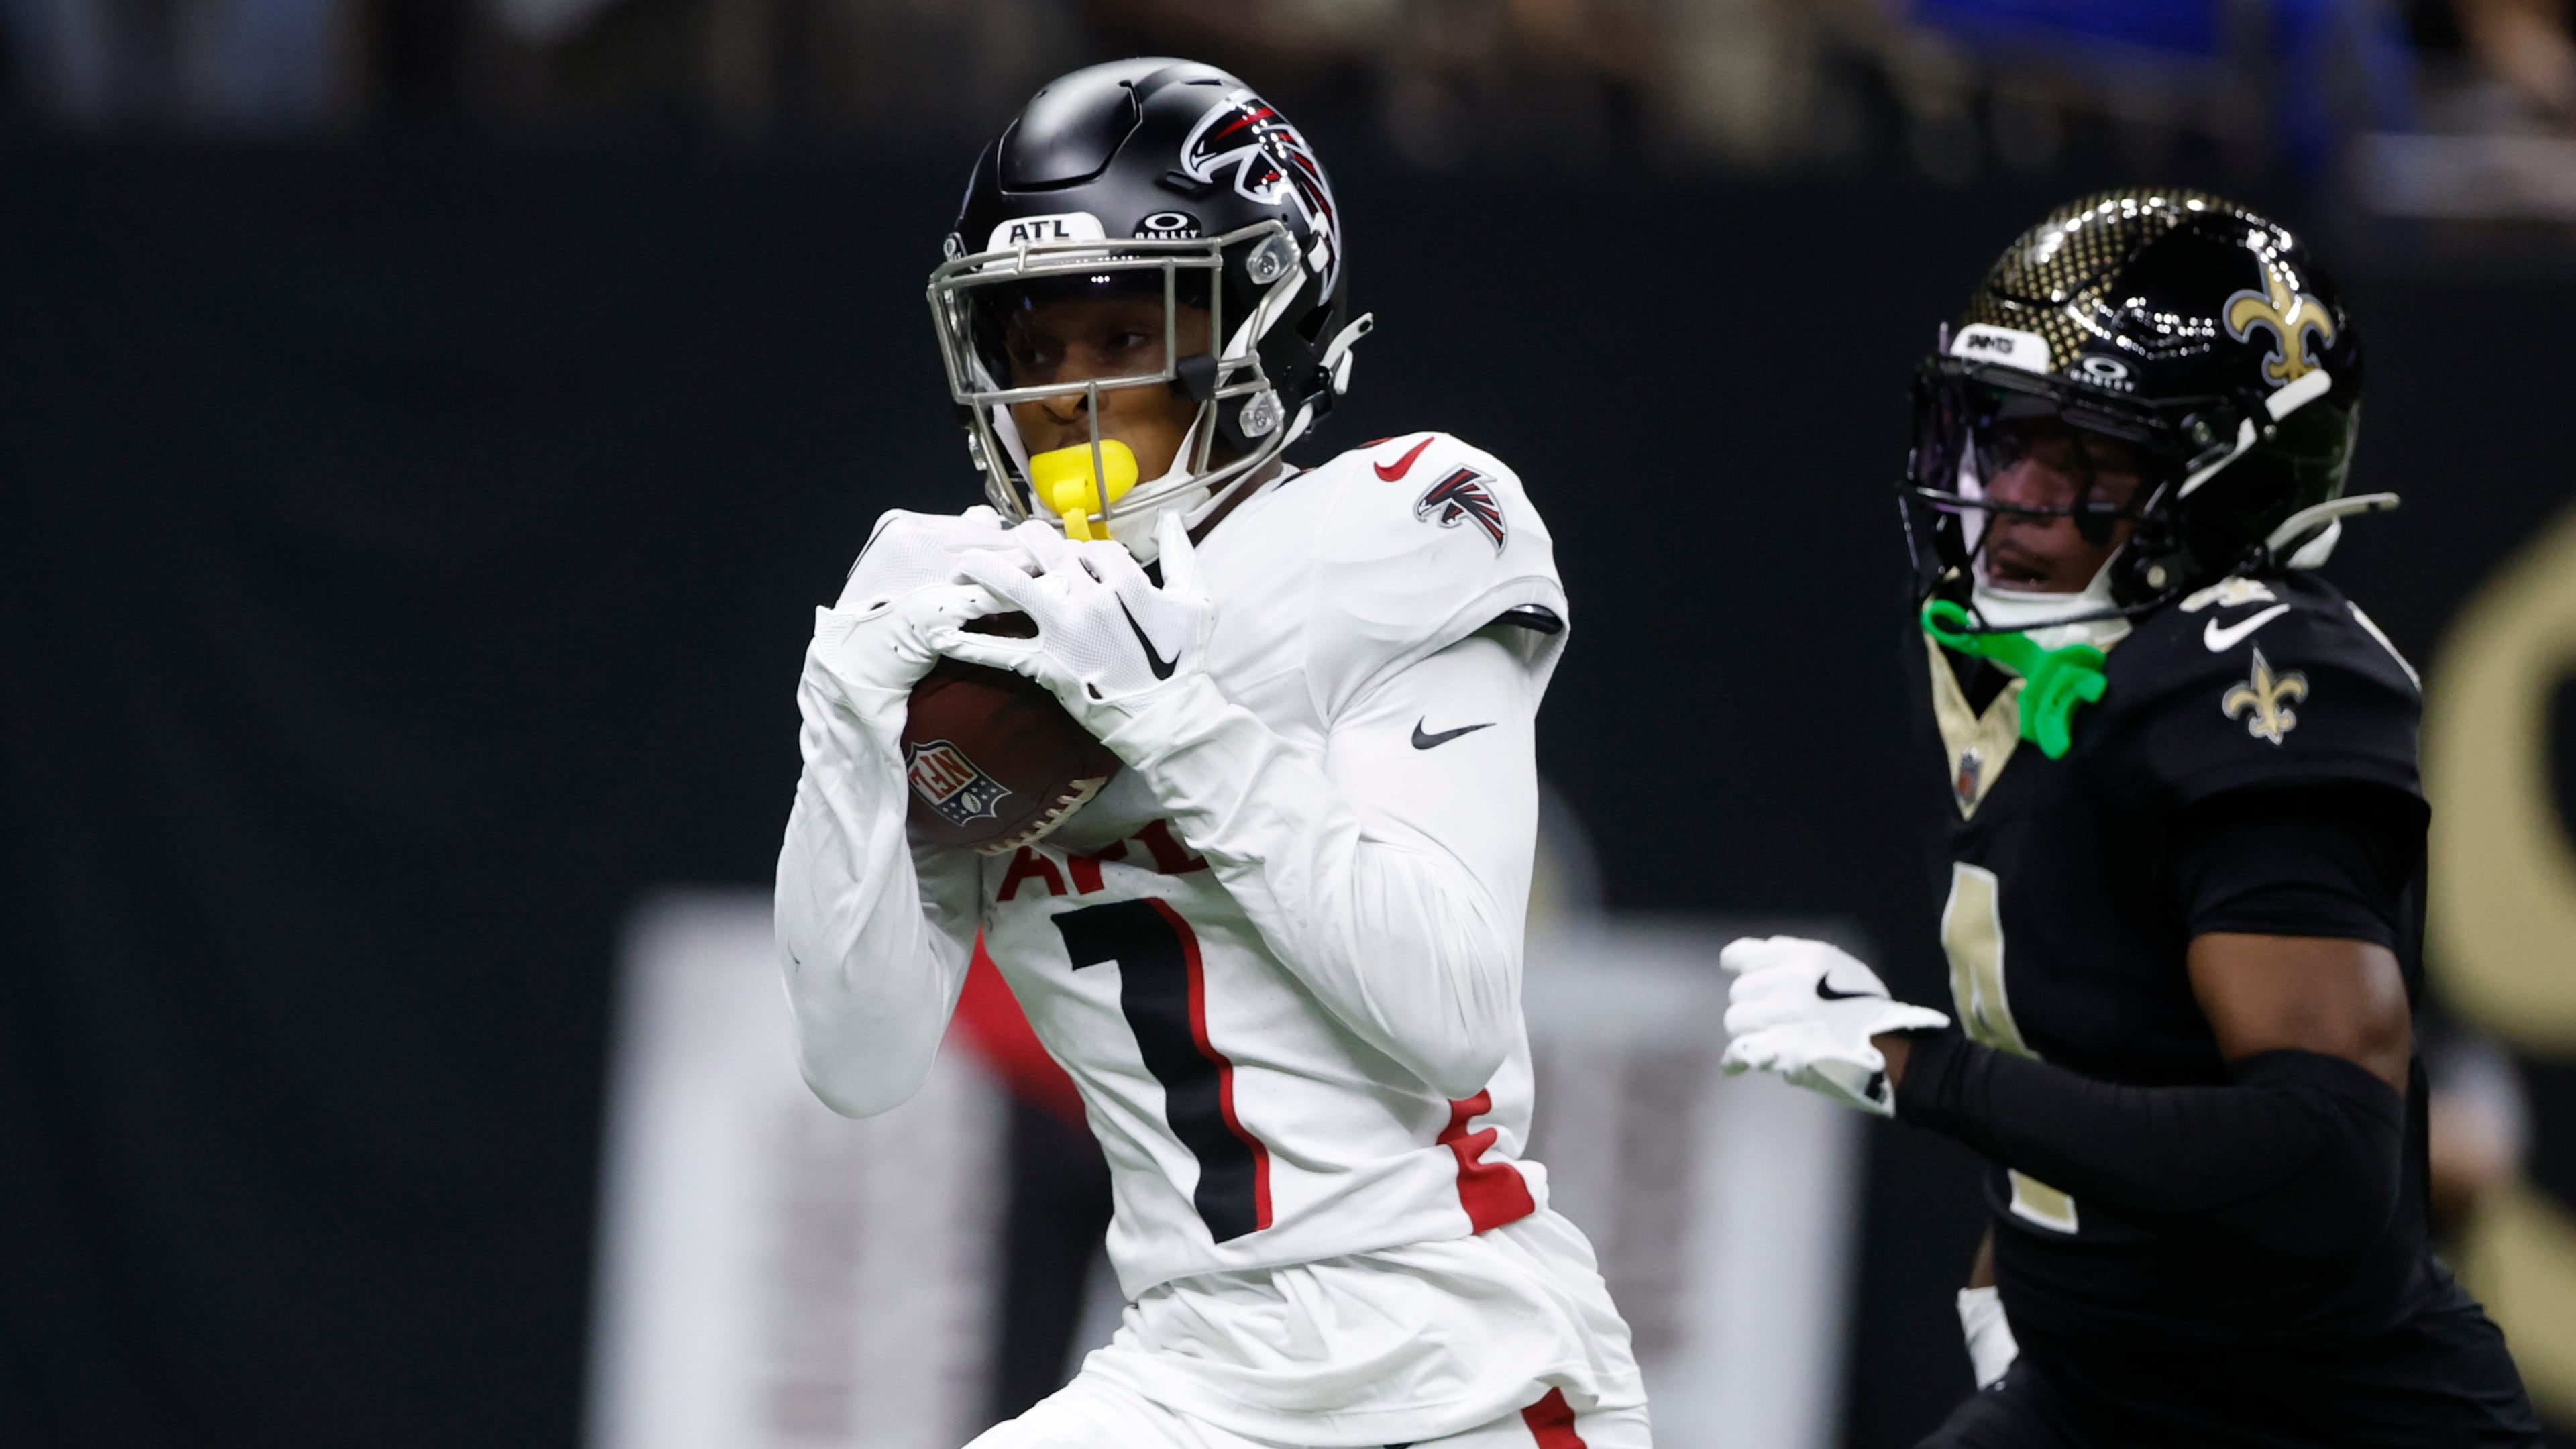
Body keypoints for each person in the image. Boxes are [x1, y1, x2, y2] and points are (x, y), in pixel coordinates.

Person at [773, 58, 1648, 1449]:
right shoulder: (985, 631)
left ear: (1266, 326)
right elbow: (859, 1061)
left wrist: (1176, 717)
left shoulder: (1384, 532)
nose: (1072, 396)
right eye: (1035, 347)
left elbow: (1454, 1007)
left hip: (1454, 1366)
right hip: (1191, 1371)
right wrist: (844, 740)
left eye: (1125, 329)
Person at [1717, 189, 2541, 1447]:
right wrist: (2017, 1286)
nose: (2015, 498)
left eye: (2086, 459)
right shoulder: (2045, 672)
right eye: (2006, 439)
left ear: (2228, 483)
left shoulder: (2255, 680)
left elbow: (2322, 1160)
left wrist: (1917, 1067)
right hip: (2103, 1387)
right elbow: (2103, 1055)